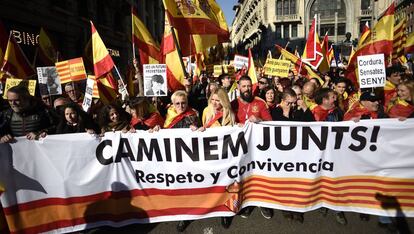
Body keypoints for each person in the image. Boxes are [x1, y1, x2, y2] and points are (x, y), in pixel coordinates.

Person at [231, 75, 272, 219]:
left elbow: (270, 124)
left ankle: (264, 203)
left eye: (249, 86)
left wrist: (259, 120)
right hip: (239, 149)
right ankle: (247, 203)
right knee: (244, 177)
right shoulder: (232, 104)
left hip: (258, 148)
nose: (247, 89)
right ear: (238, 88)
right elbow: (226, 124)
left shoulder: (260, 103)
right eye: (244, 86)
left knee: (260, 176)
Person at [197, 87, 235, 229]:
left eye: (217, 100)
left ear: (224, 101)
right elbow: (203, 127)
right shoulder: (207, 111)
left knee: (225, 183)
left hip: (225, 153)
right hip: (210, 153)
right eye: (212, 99)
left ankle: (224, 212)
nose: (214, 103)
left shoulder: (229, 112)